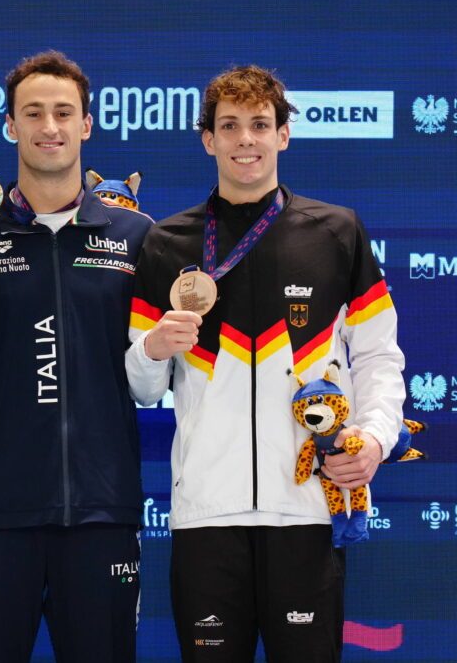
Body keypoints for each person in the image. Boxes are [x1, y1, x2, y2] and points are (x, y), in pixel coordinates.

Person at [125, 65, 405, 662]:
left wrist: (377, 439)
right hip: (206, 515)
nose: (245, 139)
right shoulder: (166, 243)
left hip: (306, 508)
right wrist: (152, 350)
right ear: (208, 139)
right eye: (229, 126)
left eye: (259, 124)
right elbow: (142, 388)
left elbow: (379, 355)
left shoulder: (337, 231)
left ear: (283, 134)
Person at [0, 51, 152, 663]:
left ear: (86, 125)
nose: (49, 126)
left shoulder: (136, 238)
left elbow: (155, 375)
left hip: (101, 517)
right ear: (10, 125)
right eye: (34, 113)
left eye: (63, 113)